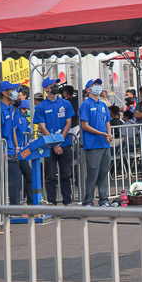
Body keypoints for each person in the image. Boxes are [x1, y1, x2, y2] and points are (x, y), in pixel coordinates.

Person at [33, 77, 74, 206]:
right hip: (49, 146)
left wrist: (60, 141)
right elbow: (42, 126)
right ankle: (52, 202)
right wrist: (54, 143)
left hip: (65, 144)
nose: (56, 86)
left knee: (66, 175)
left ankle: (68, 202)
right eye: (53, 85)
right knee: (50, 176)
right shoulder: (41, 107)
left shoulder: (65, 103)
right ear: (46, 89)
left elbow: (69, 122)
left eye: (56, 84)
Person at [78, 79, 113, 207]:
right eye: (94, 85)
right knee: (93, 172)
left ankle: (104, 199)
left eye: (98, 85)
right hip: (92, 144)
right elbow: (85, 125)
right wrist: (101, 134)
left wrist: (108, 134)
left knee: (104, 172)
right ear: (88, 90)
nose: (98, 87)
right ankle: (88, 201)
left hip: (104, 144)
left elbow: (107, 122)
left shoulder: (103, 105)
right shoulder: (86, 105)